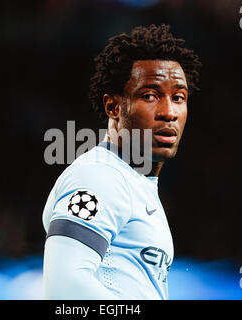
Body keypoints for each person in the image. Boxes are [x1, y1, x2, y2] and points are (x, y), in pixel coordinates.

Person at [42, 24, 201, 299]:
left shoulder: (135, 182)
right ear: (113, 107)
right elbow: (63, 290)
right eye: (149, 96)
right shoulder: (99, 176)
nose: (169, 112)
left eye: (178, 98)